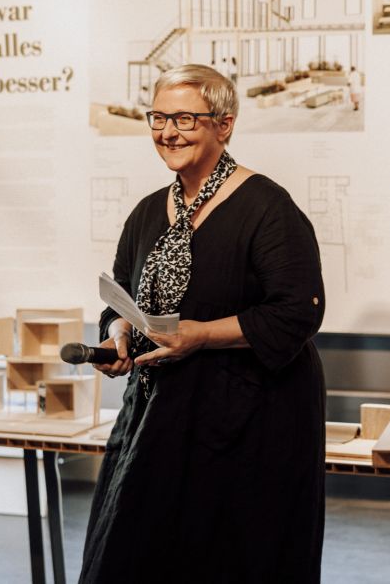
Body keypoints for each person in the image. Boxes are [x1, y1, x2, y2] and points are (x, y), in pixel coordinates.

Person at [80, 64, 326, 583]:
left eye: (185, 119)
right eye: (159, 118)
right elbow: (120, 296)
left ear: (224, 125)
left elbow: (298, 311)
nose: (168, 132)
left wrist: (201, 335)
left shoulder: (267, 208)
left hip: (248, 428)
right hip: (158, 419)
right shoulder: (149, 211)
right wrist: (118, 333)